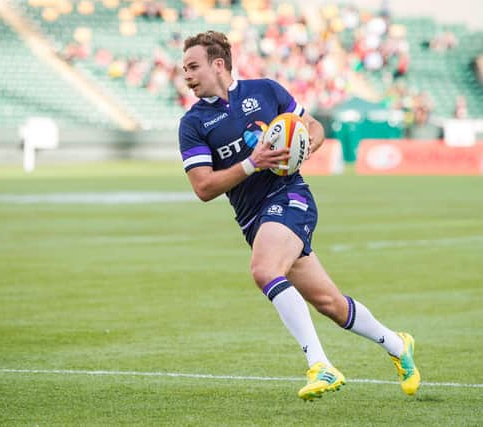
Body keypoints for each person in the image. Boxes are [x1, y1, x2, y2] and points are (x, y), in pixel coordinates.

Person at [178, 31, 420, 400]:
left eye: (193, 66)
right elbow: (203, 188)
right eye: (184, 69)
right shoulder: (192, 123)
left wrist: (305, 146)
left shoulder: (265, 91)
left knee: (263, 270)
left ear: (218, 64)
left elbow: (314, 127)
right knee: (332, 305)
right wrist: (251, 163)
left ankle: (320, 365)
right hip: (252, 219)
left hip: (290, 196)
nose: (187, 75)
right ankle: (399, 346)